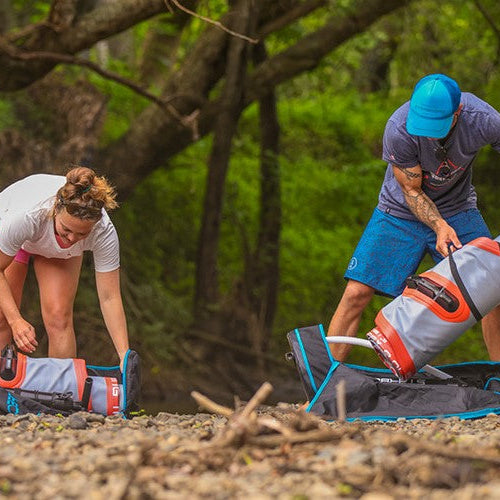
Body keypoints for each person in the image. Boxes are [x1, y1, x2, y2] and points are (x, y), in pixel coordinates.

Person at [327, 73, 500, 362]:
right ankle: (323, 387)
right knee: (356, 292)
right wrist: (439, 226)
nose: (429, 133)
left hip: (458, 210)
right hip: (398, 213)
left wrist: (447, 222)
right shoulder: (399, 126)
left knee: (494, 292)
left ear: (457, 112)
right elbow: (411, 190)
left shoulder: (482, 119)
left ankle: (498, 385)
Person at [0, 166, 129, 368]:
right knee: (4, 318)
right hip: (13, 237)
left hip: (55, 251)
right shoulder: (28, 215)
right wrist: (16, 320)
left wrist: (124, 355)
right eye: (67, 229)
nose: (71, 239)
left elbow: (109, 297)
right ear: (56, 209)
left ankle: (61, 392)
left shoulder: (104, 232)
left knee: (59, 318)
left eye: (81, 234)